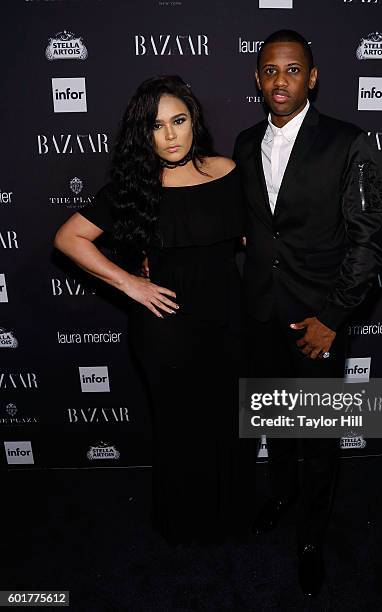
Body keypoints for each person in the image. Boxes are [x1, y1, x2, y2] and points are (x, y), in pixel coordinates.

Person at [54, 75, 255, 546]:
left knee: (229, 422)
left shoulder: (227, 172)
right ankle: (183, 525)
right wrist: (131, 284)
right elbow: (68, 238)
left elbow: (255, 237)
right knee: (180, 429)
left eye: (178, 121)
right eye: (156, 125)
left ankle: (232, 517)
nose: (169, 135)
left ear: (194, 122)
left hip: (228, 320)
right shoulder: (135, 186)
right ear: (142, 134)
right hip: (166, 328)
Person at [233, 30, 382, 596]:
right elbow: (248, 228)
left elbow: (369, 243)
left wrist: (332, 318)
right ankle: (280, 492)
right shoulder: (245, 144)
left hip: (315, 321)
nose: (280, 80)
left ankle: (311, 538)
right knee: (274, 418)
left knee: (318, 439)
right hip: (259, 314)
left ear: (312, 77)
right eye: (270, 70)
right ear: (257, 78)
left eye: (292, 70)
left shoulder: (348, 143)